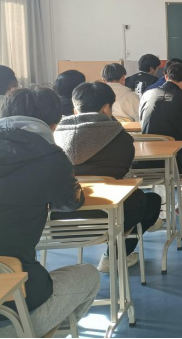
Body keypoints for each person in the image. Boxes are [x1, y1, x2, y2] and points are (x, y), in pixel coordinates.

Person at [0, 86, 99, 338]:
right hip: (13, 309)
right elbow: (70, 203)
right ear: (53, 125)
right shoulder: (50, 156)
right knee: (89, 276)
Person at [54, 82, 162, 272]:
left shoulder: (55, 134)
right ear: (106, 108)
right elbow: (123, 171)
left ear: (75, 108)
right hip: (109, 215)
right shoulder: (120, 137)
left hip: (61, 217)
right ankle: (114, 256)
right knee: (151, 201)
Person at [140, 63, 182, 225]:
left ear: (166, 76)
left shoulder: (147, 95)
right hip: (181, 161)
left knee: (162, 175)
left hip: (148, 160)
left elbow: (142, 120)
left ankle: (161, 211)